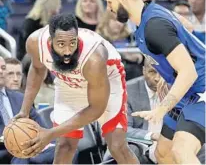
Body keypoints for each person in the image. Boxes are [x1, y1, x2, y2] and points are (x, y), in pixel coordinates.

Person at [103, 0, 205, 164]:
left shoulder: (154, 26)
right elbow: (187, 28)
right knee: (163, 153)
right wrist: (172, 77)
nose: (108, 8)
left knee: (181, 151)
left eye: (109, 1)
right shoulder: (151, 14)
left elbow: (189, 72)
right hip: (188, 93)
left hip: (201, 90)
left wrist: (161, 109)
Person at [14, 13, 139, 164]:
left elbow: (96, 109)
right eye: (61, 44)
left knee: (117, 145)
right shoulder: (35, 42)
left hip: (107, 80)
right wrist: (24, 111)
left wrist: (50, 133)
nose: (67, 51)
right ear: (50, 40)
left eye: (72, 43)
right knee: (65, 145)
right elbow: (38, 69)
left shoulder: (94, 58)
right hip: (69, 83)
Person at [0, 56, 55, 164]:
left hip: (29, 146)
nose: (1, 71)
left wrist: (49, 142)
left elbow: (42, 127)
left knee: (64, 148)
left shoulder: (21, 98)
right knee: (23, 156)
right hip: (5, 150)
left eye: (3, 68)